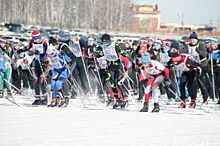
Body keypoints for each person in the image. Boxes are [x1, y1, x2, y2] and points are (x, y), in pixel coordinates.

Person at [168, 41, 202, 108]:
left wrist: (198, 71)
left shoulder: (185, 58)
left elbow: (197, 65)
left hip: (193, 71)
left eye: (176, 60)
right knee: (181, 85)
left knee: (190, 86)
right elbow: (168, 64)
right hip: (185, 71)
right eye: (173, 60)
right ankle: (183, 100)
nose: (175, 62)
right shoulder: (172, 59)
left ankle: (193, 100)